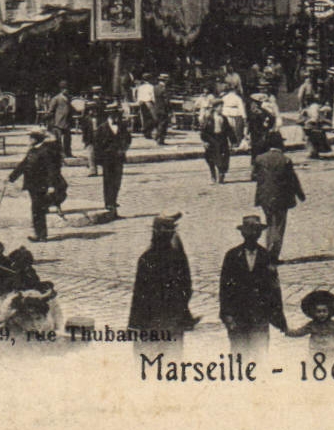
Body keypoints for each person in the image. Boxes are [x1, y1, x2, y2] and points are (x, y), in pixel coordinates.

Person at [218, 214, 288, 359]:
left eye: (256, 231)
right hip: (238, 317)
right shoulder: (232, 256)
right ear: (243, 233)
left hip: (259, 317)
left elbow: (274, 288)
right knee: (239, 358)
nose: (252, 234)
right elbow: (224, 288)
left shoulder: (266, 256)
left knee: (259, 357)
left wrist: (279, 318)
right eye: (248, 231)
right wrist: (227, 315)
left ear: (260, 233)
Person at [128, 212, 196, 351]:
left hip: (150, 322)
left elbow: (139, 295)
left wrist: (133, 325)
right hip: (172, 322)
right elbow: (187, 288)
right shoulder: (177, 258)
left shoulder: (147, 258)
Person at [252, 132, 307, 263]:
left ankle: (268, 252)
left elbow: (254, 176)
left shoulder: (259, 159)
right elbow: (293, 180)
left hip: (265, 197)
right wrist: (300, 195)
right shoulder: (285, 160)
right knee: (279, 225)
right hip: (281, 197)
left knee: (270, 223)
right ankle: (273, 255)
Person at [8, 128, 65, 242]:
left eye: (32, 137)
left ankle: (41, 235)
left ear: (37, 138)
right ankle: (39, 234)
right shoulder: (33, 150)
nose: (29, 139)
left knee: (38, 209)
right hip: (32, 185)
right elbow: (23, 165)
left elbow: (51, 169)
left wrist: (51, 185)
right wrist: (11, 177)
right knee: (36, 209)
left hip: (41, 185)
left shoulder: (45, 151)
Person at [94, 106, 132, 219]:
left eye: (118, 115)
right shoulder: (102, 128)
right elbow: (97, 145)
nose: (117, 118)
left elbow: (128, 139)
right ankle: (109, 204)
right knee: (108, 182)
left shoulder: (122, 126)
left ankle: (113, 203)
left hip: (118, 158)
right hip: (107, 159)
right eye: (115, 115)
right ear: (110, 115)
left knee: (117, 182)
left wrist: (124, 149)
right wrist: (99, 160)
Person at [288, 289, 334, 356]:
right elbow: (300, 332)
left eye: (324, 311)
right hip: (315, 350)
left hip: (329, 350)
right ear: (313, 313)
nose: (322, 314)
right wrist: (288, 332)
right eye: (318, 312)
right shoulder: (311, 325)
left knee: (328, 364)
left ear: (329, 311)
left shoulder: (332, 323)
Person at [202, 95, 233, 183]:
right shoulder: (209, 118)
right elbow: (203, 131)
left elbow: (229, 130)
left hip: (222, 139)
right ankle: (213, 175)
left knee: (223, 158)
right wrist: (205, 141)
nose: (222, 108)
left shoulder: (224, 118)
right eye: (220, 107)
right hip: (211, 139)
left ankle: (221, 172)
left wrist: (233, 141)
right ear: (215, 108)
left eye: (222, 106)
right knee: (210, 158)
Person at [47, 82, 74, 158]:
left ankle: (68, 153)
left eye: (67, 89)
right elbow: (51, 110)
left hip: (67, 121)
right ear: (61, 89)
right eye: (65, 89)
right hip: (58, 122)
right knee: (58, 140)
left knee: (68, 139)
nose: (66, 90)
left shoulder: (69, 98)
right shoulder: (56, 98)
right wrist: (52, 121)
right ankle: (60, 154)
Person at [221, 85, 248, 149]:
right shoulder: (237, 98)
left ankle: (231, 143)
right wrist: (244, 116)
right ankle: (234, 143)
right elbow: (241, 108)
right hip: (234, 113)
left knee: (229, 128)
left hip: (227, 112)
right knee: (234, 129)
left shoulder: (224, 97)